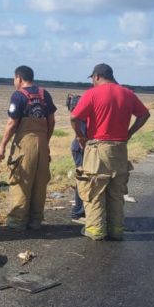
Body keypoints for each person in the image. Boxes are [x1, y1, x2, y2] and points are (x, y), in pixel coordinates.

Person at [70, 63, 150, 240]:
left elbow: (74, 117)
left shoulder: (92, 93)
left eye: (92, 78)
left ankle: (96, 230)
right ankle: (116, 230)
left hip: (97, 148)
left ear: (97, 76)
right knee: (116, 192)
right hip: (120, 149)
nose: (92, 81)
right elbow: (144, 114)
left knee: (94, 191)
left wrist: (80, 136)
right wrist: (129, 133)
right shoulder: (128, 93)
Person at [0, 65, 57, 230]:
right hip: (43, 143)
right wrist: (45, 140)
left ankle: (17, 222)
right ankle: (35, 220)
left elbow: (12, 123)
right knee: (40, 183)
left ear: (19, 78)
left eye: (14, 79)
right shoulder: (45, 94)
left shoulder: (18, 96)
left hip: (25, 145)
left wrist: (2, 146)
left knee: (21, 181)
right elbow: (51, 121)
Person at [68, 94, 86, 224]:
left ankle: (80, 210)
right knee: (83, 180)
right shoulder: (81, 118)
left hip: (78, 148)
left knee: (83, 179)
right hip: (80, 148)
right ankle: (78, 212)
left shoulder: (80, 118)